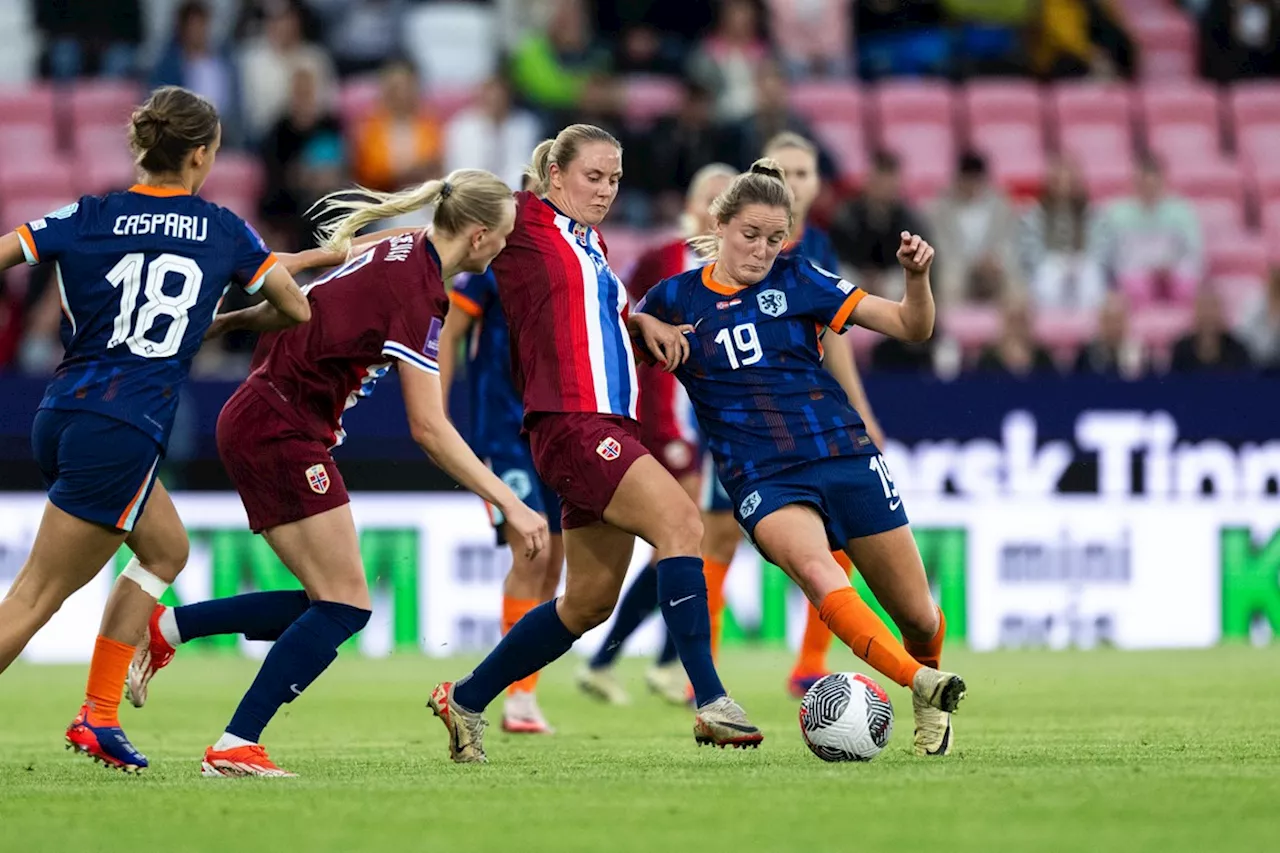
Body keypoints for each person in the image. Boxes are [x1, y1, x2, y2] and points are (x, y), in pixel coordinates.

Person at [124, 169, 549, 777]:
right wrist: (512, 501)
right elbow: (428, 428)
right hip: (280, 429)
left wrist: (233, 323)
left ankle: (168, 627)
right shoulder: (421, 289)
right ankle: (233, 743)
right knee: (345, 604)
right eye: (504, 237)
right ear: (479, 236)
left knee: (331, 602)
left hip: (265, 415)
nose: (506, 248)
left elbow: (303, 295)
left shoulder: (400, 242)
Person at [427, 124, 761, 763]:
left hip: (608, 424)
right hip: (572, 423)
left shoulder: (593, 243)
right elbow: (444, 233)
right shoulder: (521, 219)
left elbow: (586, 323)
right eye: (593, 177)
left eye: (614, 179)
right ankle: (711, 700)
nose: (606, 190)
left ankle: (465, 698)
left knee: (586, 603)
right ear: (554, 175)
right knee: (682, 526)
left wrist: (639, 324)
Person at [0, 86, 311, 772]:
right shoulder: (223, 228)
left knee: (165, 546)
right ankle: (95, 714)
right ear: (200, 154)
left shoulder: (90, 211)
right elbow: (293, 308)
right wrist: (225, 320)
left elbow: (8, 252)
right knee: (34, 596)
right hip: (123, 428)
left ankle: (99, 715)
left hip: (62, 413)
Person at [638, 159, 966, 756]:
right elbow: (610, 331)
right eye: (749, 236)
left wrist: (916, 280)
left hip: (844, 455)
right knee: (822, 574)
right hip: (761, 476)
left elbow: (910, 327)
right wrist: (635, 318)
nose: (762, 251)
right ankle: (920, 681)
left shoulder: (799, 277)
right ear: (719, 223)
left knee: (918, 617)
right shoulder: (672, 298)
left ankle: (926, 693)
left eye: (774, 238)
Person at [577, 162, 737, 707]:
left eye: (728, 202)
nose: (719, 211)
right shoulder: (664, 259)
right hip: (667, 425)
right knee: (683, 535)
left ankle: (638, 662)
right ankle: (643, 662)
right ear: (691, 206)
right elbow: (628, 328)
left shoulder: (737, 273)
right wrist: (662, 427)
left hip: (714, 428)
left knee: (705, 538)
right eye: (711, 199)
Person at [436, 177, 564, 735]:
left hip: (558, 429)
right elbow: (450, 334)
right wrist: (435, 411)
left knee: (558, 557)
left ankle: (526, 691)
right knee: (531, 552)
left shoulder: (568, 257)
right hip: (503, 432)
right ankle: (516, 696)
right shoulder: (493, 264)